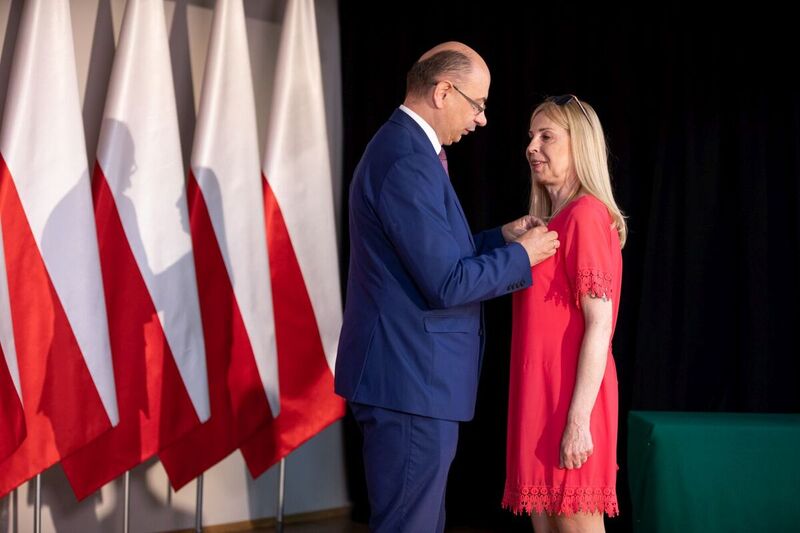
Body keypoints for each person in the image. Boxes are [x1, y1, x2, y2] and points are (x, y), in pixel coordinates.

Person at [335, 42, 560, 532]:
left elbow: (432, 255)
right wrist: (522, 257)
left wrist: (498, 239)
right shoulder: (406, 161)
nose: (481, 120)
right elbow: (447, 282)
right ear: (443, 91)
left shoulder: (409, 150)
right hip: (409, 380)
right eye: (477, 105)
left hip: (410, 379)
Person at [502, 95, 626, 533]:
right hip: (539, 400)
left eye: (547, 136)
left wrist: (577, 421)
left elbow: (600, 325)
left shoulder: (587, 215)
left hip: (573, 402)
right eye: (531, 136)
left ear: (580, 145)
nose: (532, 146)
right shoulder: (550, 224)